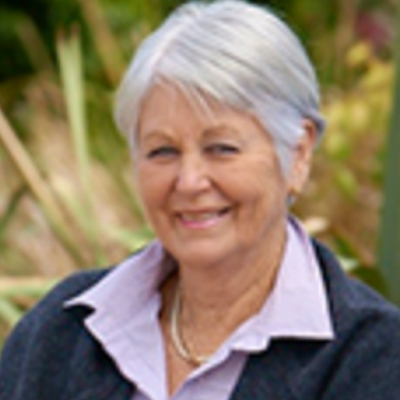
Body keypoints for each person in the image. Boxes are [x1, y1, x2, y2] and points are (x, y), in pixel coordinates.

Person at [1, 0, 400, 399]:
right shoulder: (57, 333)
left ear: (298, 154)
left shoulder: (375, 359)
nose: (189, 181)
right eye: (163, 151)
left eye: (222, 148)